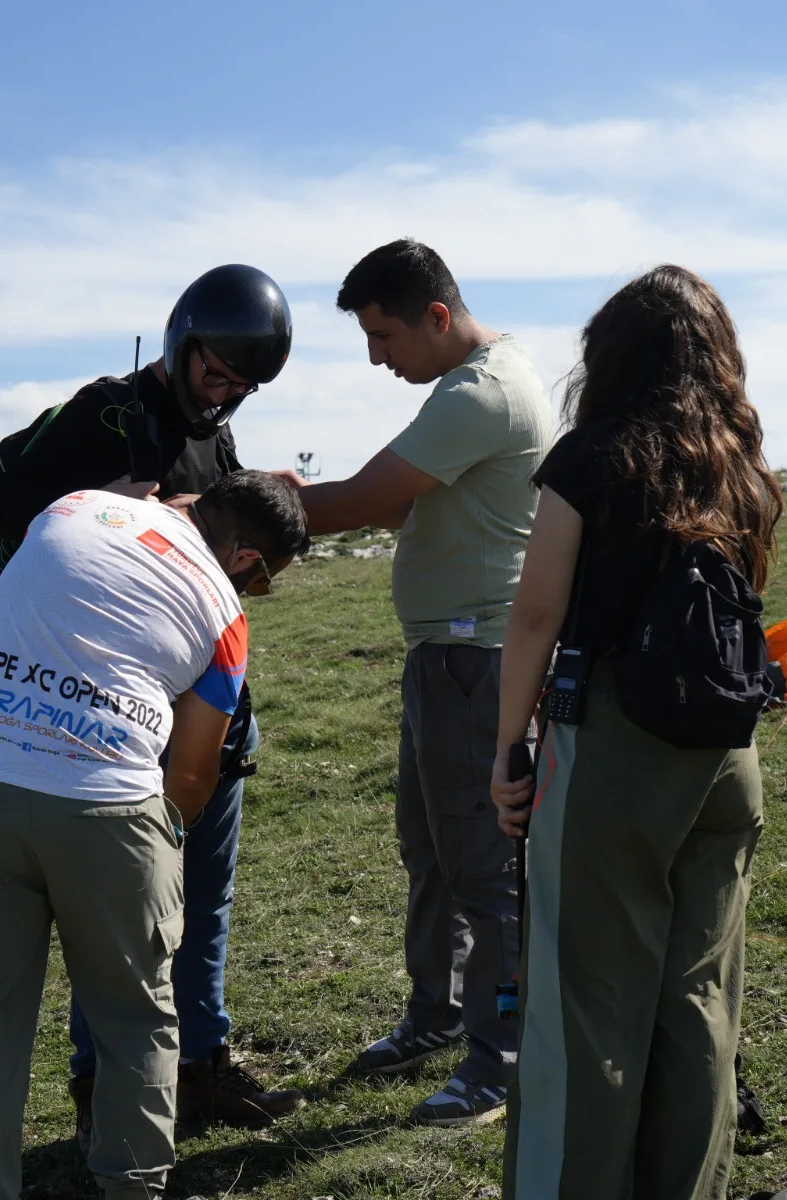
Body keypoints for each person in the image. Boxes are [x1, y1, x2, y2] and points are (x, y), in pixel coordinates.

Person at [0, 264, 306, 1137]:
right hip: (79, 719)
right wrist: (105, 503)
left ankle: (200, 1063)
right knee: (119, 917)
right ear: (183, 341)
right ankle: (104, 1084)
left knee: (201, 894)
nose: (226, 396)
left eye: (245, 387)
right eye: (217, 373)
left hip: (187, 701)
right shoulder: (106, 410)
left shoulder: (216, 439)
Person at [490, 265, 781, 1199]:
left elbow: (536, 614)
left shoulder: (592, 455)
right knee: (698, 1000)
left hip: (612, 751)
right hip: (728, 759)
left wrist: (509, 750)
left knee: (586, 1008)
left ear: (608, 356)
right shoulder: (739, 463)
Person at [288, 239, 552, 1125]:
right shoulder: (464, 388)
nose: (376, 356)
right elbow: (396, 497)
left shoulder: (482, 392)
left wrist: (220, 509)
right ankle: (437, 1015)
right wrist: (289, 493)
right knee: (432, 851)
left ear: (437, 317)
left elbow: (366, 500)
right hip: (447, 658)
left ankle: (499, 1056)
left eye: (385, 335)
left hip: (474, 660)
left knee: (481, 863)